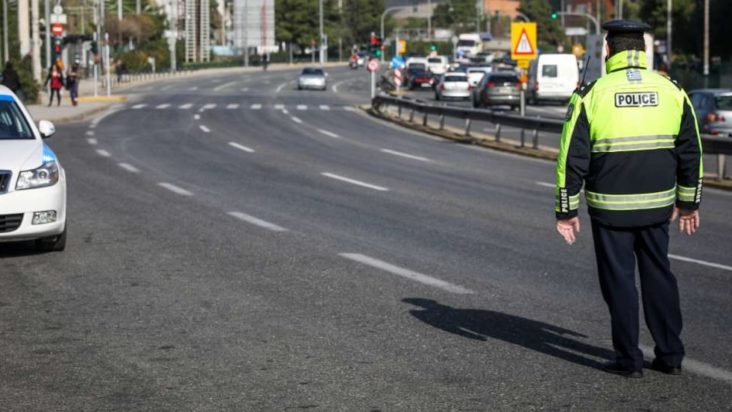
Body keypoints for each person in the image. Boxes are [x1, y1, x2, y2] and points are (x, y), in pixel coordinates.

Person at [554, 20, 703, 379]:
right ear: (643, 51)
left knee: (619, 282)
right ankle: (670, 355)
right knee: (659, 276)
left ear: (608, 51)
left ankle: (629, 361)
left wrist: (566, 210)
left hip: (610, 211)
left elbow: (571, 158)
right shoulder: (672, 90)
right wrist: (688, 204)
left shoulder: (592, 94)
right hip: (658, 208)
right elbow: (691, 151)